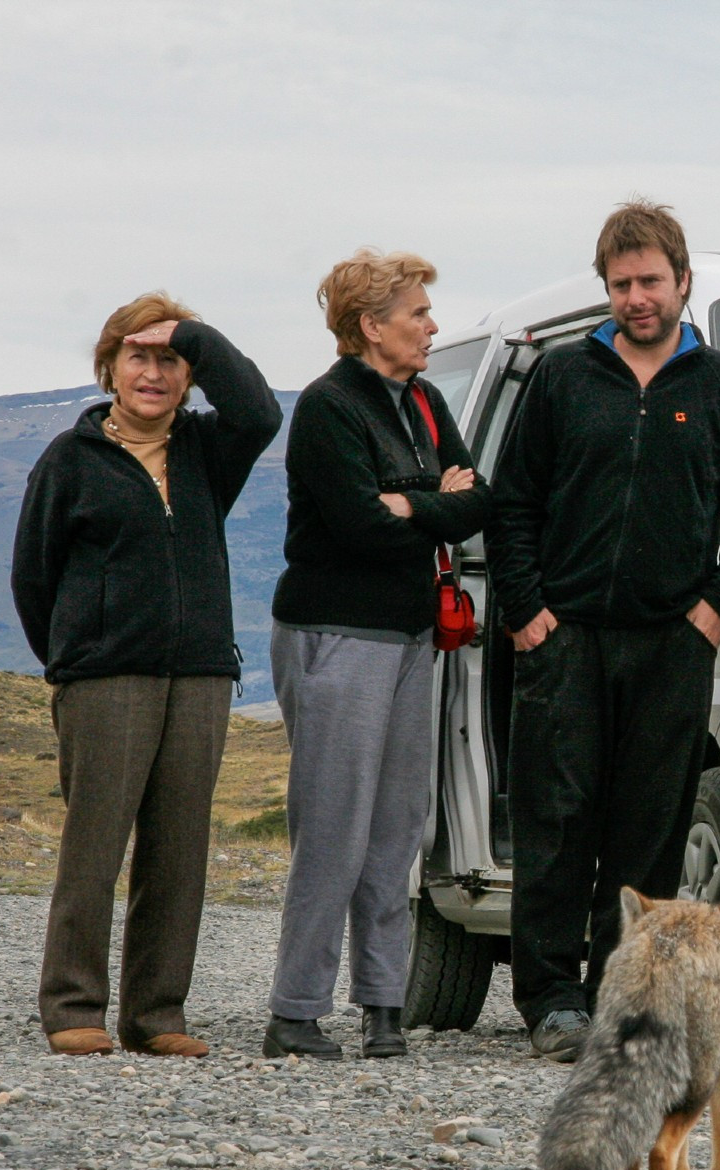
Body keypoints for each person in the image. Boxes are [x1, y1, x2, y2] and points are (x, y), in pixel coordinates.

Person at [488, 199, 720, 1062]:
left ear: (683, 281)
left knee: (648, 826)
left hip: (671, 643)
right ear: (606, 290)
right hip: (565, 636)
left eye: (651, 280)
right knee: (558, 820)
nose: (636, 297)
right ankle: (551, 1000)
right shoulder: (561, 377)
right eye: (621, 283)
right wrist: (527, 611)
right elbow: (513, 504)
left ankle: (631, 1001)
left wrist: (713, 609)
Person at [12, 295, 282, 1057]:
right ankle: (73, 1004)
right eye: (139, 356)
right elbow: (34, 576)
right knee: (94, 845)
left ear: (189, 374)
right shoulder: (70, 459)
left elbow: (260, 410)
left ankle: (157, 1013)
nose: (154, 373)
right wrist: (75, 657)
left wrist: (193, 333)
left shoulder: (207, 451)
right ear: (110, 368)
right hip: (105, 677)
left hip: (198, 674)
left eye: (170, 360)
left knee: (179, 850)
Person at [264, 249, 490, 1060]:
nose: (432, 325)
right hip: (337, 634)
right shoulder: (327, 409)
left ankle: (383, 1005)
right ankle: (294, 1010)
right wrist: (439, 500)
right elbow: (362, 525)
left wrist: (413, 503)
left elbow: (480, 502)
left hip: (410, 637)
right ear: (371, 326)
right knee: (334, 825)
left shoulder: (425, 401)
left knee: (399, 823)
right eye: (418, 313)